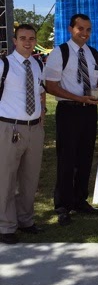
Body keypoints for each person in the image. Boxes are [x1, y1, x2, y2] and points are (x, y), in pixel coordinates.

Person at [45, 13, 98, 226]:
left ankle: (80, 200)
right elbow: (51, 86)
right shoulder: (60, 52)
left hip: (89, 112)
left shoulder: (94, 54)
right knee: (67, 158)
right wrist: (78, 98)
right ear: (71, 29)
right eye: (80, 28)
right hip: (68, 111)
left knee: (85, 156)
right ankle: (63, 205)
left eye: (88, 29)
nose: (85, 33)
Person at [0, 24, 46, 244]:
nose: (28, 42)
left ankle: (25, 220)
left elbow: (40, 93)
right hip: (9, 128)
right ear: (15, 40)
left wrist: (42, 116)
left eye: (31, 38)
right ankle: (5, 226)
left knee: (30, 178)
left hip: (34, 129)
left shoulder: (38, 64)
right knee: (6, 179)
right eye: (23, 38)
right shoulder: (4, 64)